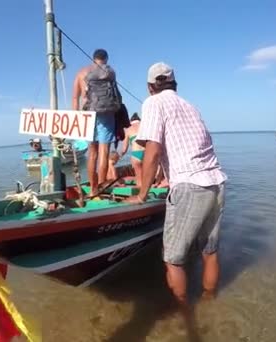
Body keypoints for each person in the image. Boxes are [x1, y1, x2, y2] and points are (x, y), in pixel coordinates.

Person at [125, 62, 227, 308]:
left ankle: (184, 314)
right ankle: (209, 303)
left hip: (190, 185)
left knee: (173, 260)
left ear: (151, 87)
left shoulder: (153, 103)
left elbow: (153, 150)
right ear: (174, 83)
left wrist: (141, 195)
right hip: (217, 182)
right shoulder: (190, 106)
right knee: (209, 252)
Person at [72, 48, 122, 196]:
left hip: (87, 114)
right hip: (106, 114)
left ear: (93, 58)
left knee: (92, 153)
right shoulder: (110, 72)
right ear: (106, 58)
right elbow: (116, 94)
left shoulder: (82, 72)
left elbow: (75, 98)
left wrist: (76, 117)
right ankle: (101, 187)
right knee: (104, 152)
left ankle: (93, 188)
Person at [118, 113, 144, 186]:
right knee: (147, 177)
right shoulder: (145, 126)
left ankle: (140, 194)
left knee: (139, 179)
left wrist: (120, 156)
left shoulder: (129, 130)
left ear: (130, 122)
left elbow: (124, 149)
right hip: (147, 153)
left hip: (136, 154)